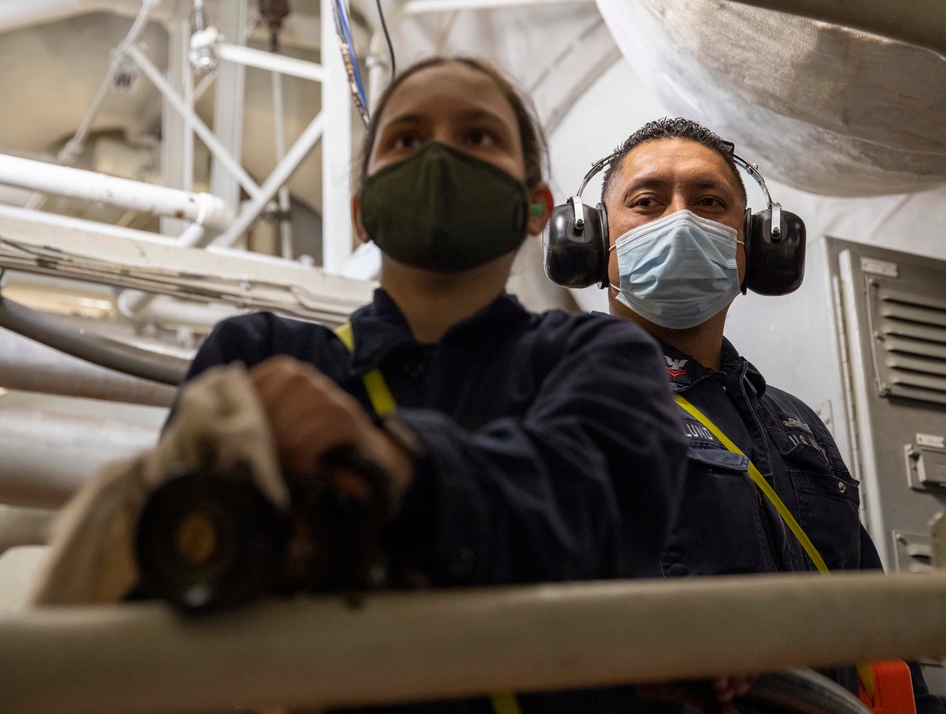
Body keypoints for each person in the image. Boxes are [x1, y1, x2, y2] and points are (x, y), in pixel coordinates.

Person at [178, 58, 688, 711]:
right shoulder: (254, 355)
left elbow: (598, 518)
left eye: (478, 136)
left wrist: (390, 464)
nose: (439, 156)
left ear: (536, 209)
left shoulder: (600, 355)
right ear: (364, 215)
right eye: (406, 140)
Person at [595, 117, 942, 713]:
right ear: (588, 241)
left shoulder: (791, 420)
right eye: (647, 202)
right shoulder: (566, 409)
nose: (681, 222)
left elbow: (878, 633)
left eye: (709, 202)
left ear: (756, 248)